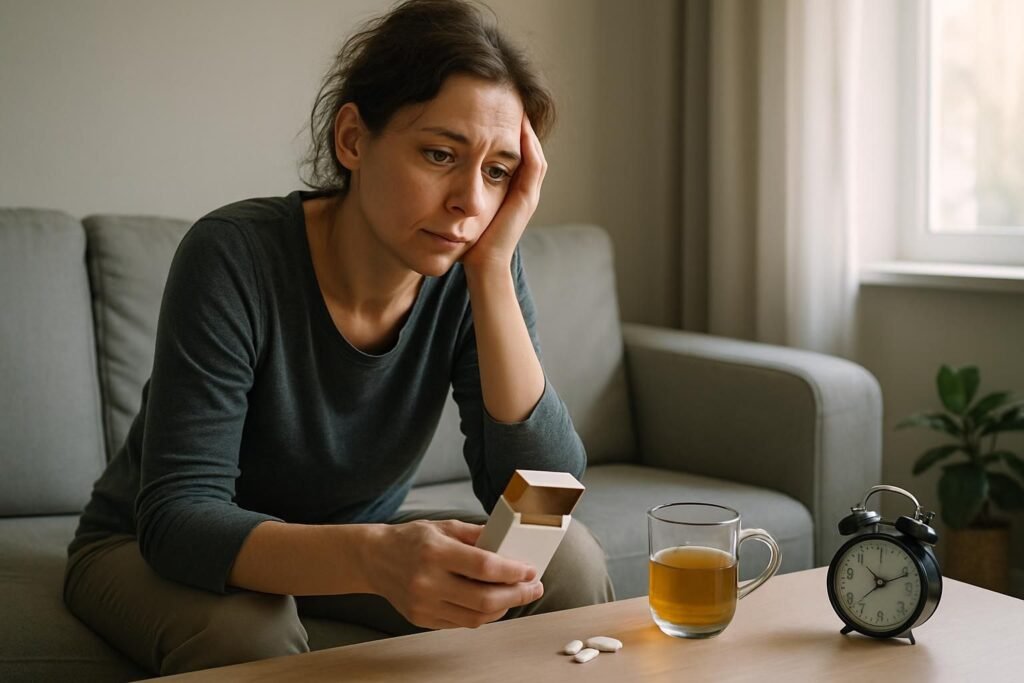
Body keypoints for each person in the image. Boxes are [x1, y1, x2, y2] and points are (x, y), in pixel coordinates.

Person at [63, 0, 613, 676]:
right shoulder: (234, 254)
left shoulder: (476, 263)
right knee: (248, 627)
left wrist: (494, 271)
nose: (470, 201)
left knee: (573, 558)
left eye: (498, 171)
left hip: (346, 545)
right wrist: (375, 555)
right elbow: (178, 518)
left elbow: (543, 493)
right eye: (440, 154)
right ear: (352, 139)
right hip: (144, 545)